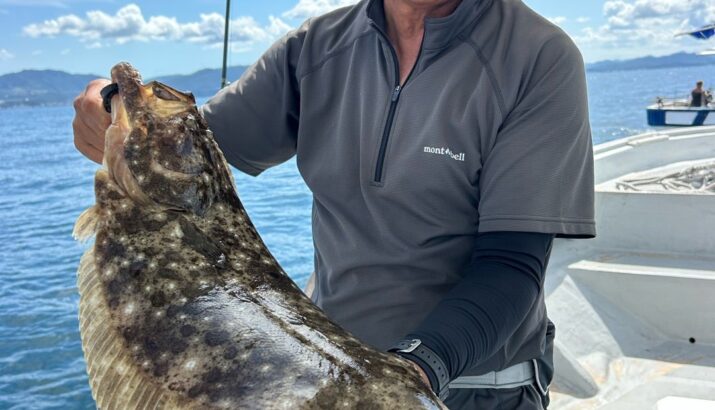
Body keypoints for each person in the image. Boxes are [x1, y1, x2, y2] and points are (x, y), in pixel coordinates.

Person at [72, 0, 596, 408]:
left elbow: (512, 268)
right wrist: (108, 104)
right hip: (318, 375)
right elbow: (183, 152)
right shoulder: (315, 49)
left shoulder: (537, 57)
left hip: (481, 387)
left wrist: (405, 378)